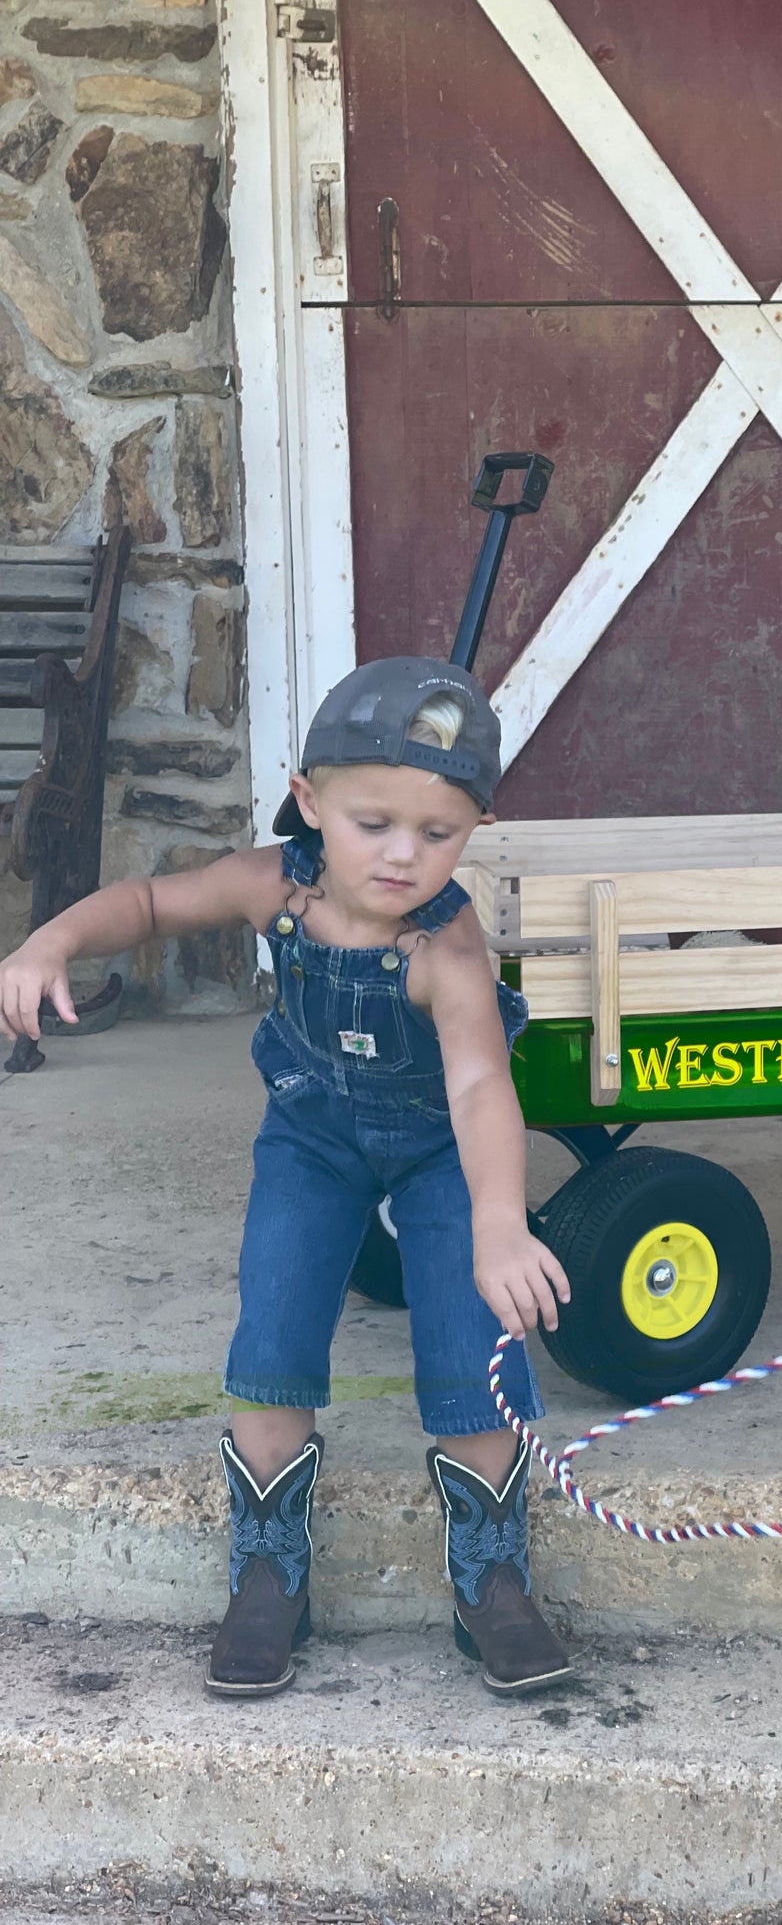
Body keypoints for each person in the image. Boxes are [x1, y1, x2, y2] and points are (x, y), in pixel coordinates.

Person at [0, 657, 574, 1699]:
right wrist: (49, 939)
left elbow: (484, 1084)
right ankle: (269, 1569)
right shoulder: (277, 884)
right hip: (311, 1134)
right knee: (273, 1325)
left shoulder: (442, 948)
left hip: (442, 1145)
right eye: (372, 823)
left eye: (436, 833)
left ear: (471, 831)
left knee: (472, 1339)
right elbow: (144, 900)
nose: (403, 855)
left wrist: (499, 1221)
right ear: (310, 800)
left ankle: (490, 1575)